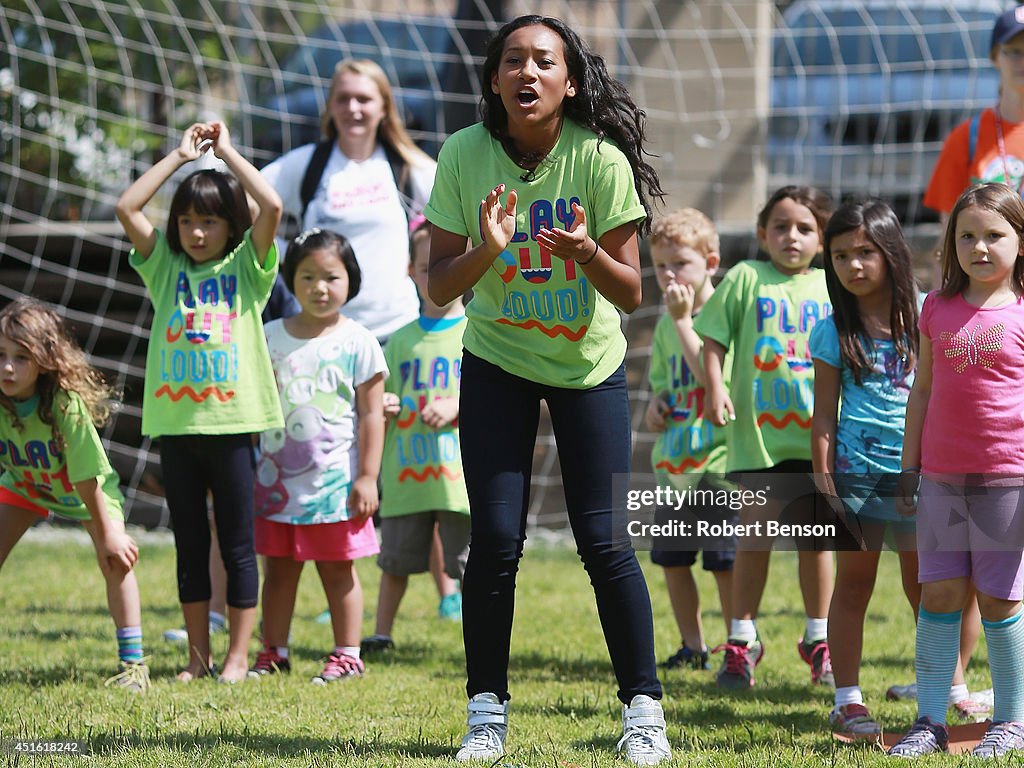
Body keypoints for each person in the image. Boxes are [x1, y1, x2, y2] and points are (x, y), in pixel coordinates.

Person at [425, 15, 671, 765]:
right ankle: (486, 713)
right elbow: (437, 289)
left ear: (569, 82)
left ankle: (644, 710)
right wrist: (486, 252)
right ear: (495, 79)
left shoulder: (598, 160)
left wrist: (588, 249)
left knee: (604, 541)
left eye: (543, 61)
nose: (526, 72)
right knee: (495, 541)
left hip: (586, 367)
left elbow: (631, 293)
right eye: (512, 61)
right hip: (496, 357)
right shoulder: (464, 154)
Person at [115, 120, 284, 683]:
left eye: (208, 220)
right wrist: (180, 159)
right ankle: (197, 658)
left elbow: (273, 206)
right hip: (177, 428)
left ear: (230, 225)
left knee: (237, 543)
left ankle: (238, 657)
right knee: (190, 544)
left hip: (234, 427)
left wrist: (228, 153)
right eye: (186, 220)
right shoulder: (164, 269)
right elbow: (127, 207)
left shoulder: (246, 270)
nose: (195, 231)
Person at [888, 182, 1024, 758]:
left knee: (998, 601)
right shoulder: (935, 308)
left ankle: (1011, 721)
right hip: (941, 480)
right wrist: (908, 466)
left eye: (995, 235)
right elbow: (921, 392)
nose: (980, 247)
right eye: (967, 235)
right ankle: (929, 720)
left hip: (1008, 483)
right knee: (939, 594)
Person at [695, 185, 835, 689]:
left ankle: (819, 638)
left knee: (816, 543)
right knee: (753, 540)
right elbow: (712, 339)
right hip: (759, 441)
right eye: (780, 226)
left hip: (818, 440)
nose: (791, 236)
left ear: (822, 239)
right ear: (761, 234)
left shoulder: (830, 285)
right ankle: (742, 639)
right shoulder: (746, 278)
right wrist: (714, 388)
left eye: (804, 228)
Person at [248, 228, 386, 683]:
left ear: (351, 280)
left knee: (337, 569)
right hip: (276, 484)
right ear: (289, 279)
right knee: (279, 570)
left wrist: (367, 477)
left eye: (331, 276)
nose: (319, 288)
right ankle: (274, 651)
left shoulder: (360, 341)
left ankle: (347, 654)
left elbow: (371, 414)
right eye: (307, 277)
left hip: (335, 487)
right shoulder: (267, 336)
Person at [0, 297, 149, 692]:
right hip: (26, 485)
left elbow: (88, 477)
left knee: (115, 561)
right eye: (0, 355)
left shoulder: (65, 406)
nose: (8, 367)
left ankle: (133, 666)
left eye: (21, 357)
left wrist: (110, 535)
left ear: (46, 360)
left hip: (86, 493)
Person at [261, 58, 436, 343]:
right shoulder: (306, 165)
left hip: (395, 333)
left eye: (363, 99)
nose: (352, 108)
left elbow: (459, 220)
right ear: (330, 107)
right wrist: (284, 251)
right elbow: (246, 203)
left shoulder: (410, 168)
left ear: (384, 108)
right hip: (323, 335)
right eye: (343, 99)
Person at [361, 219, 470, 654]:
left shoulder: (477, 333)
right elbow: (379, 401)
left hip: (460, 478)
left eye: (443, 266)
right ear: (410, 271)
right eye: (425, 268)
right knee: (396, 562)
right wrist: (382, 406)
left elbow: (497, 397)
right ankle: (382, 633)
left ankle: (478, 637)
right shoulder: (399, 341)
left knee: (471, 562)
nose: (433, 277)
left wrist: (457, 406)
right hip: (407, 474)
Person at [643, 208, 734, 671]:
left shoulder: (726, 315)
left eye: (680, 263)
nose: (668, 274)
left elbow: (714, 381)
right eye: (660, 265)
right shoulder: (663, 326)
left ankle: (737, 647)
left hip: (717, 464)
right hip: (674, 466)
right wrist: (656, 406)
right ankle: (693, 645)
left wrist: (683, 322)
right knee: (673, 561)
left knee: (723, 563)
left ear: (710, 263)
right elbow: (665, 383)